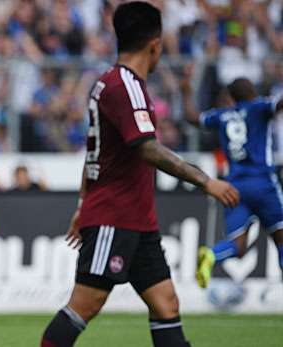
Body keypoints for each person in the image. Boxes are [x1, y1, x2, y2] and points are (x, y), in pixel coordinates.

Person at [41, 3, 240, 347]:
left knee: (166, 304)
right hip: (114, 216)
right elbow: (146, 148)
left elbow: (95, 152)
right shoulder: (125, 86)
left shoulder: (110, 83)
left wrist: (82, 203)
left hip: (136, 220)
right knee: (84, 305)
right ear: (155, 45)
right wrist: (206, 181)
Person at [182, 77, 283, 289]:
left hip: (234, 187)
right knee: (281, 237)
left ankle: (212, 255)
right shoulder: (259, 107)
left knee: (238, 246)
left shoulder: (222, 116)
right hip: (263, 182)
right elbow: (279, 103)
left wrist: (186, 92)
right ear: (251, 91)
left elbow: (192, 117)